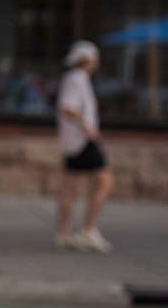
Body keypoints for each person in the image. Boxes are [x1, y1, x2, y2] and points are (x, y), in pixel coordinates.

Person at [55, 39, 113, 252]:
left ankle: (64, 232)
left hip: (74, 141)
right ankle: (88, 230)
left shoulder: (75, 78)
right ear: (87, 60)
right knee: (104, 182)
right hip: (82, 140)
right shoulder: (77, 80)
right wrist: (87, 127)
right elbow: (67, 108)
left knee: (72, 186)